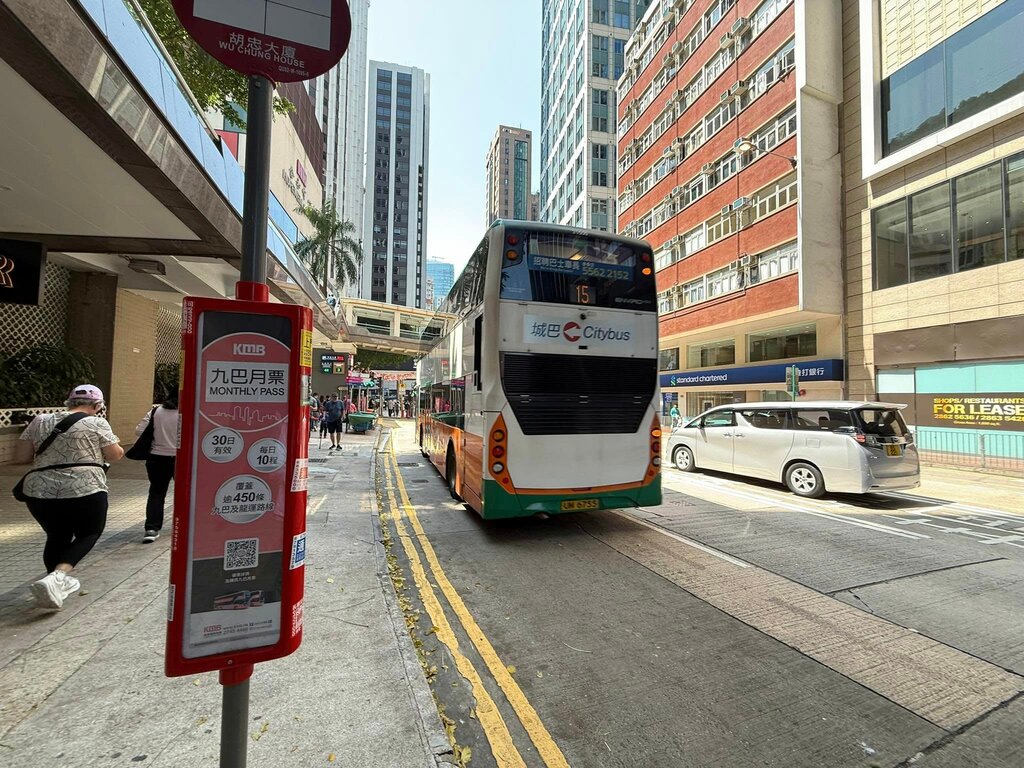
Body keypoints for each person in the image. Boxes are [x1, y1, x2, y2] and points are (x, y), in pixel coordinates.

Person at [13, 385, 124, 609]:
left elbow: (21, 457)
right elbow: (115, 454)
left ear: (69, 401)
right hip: (84, 487)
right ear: (98, 406)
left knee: (56, 534)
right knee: (89, 532)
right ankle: (58, 577)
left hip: (39, 491)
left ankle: (52, 584)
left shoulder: (40, 420)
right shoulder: (97, 422)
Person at [135, 385, 179, 543]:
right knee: (185, 495)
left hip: (156, 458)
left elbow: (139, 431)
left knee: (156, 493)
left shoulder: (155, 412)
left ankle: (151, 528)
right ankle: (185, 525)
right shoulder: (188, 412)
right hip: (182, 459)